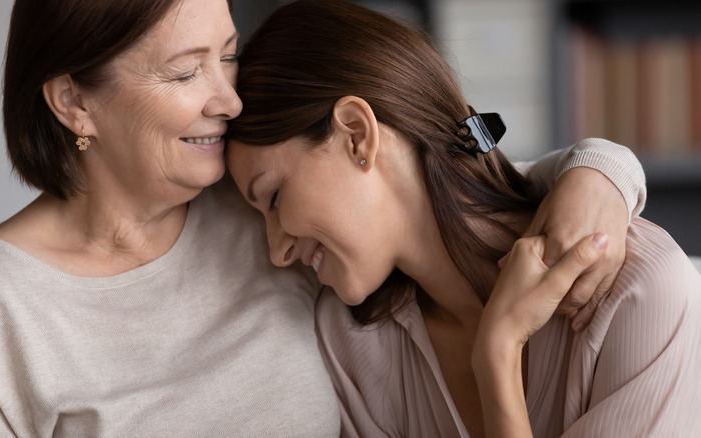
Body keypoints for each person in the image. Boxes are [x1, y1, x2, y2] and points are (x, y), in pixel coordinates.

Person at [0, 0, 646, 435]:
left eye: (228, 56)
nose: (230, 100)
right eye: (186, 71)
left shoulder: (256, 210)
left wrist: (602, 170)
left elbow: (440, 179)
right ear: (75, 102)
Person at [226, 1, 701, 437]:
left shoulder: (641, 295)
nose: (277, 251)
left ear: (356, 134)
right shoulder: (352, 344)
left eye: (273, 198)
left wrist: (497, 357)